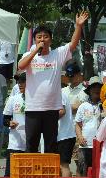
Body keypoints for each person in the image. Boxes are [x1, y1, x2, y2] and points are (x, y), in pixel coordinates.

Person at [18, 12, 88, 154]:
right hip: (33, 108)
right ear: (35, 40)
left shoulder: (57, 54)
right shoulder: (29, 55)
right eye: (39, 37)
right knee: (31, 143)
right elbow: (21, 66)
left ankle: (47, 174)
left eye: (45, 37)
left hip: (51, 108)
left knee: (50, 144)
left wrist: (78, 26)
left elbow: (72, 45)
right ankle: (31, 175)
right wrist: (35, 51)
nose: (42, 39)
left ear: (50, 39)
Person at [75, 77, 103, 178]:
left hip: (101, 145)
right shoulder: (83, 106)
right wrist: (80, 137)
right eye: (93, 87)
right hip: (85, 144)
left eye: (99, 87)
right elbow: (78, 124)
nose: (96, 89)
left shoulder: (105, 105)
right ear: (89, 90)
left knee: (98, 172)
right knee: (82, 170)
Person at [2, 73, 27, 177]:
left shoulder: (38, 101)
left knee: (28, 177)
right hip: (15, 143)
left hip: (33, 145)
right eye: (18, 82)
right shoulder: (13, 99)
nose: (20, 84)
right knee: (10, 177)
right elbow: (5, 119)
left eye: (23, 82)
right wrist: (10, 123)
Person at [56, 89, 76, 178]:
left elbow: (61, 111)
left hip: (65, 135)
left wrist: (47, 120)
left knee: (64, 165)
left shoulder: (58, 94)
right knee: (58, 166)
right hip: (60, 135)